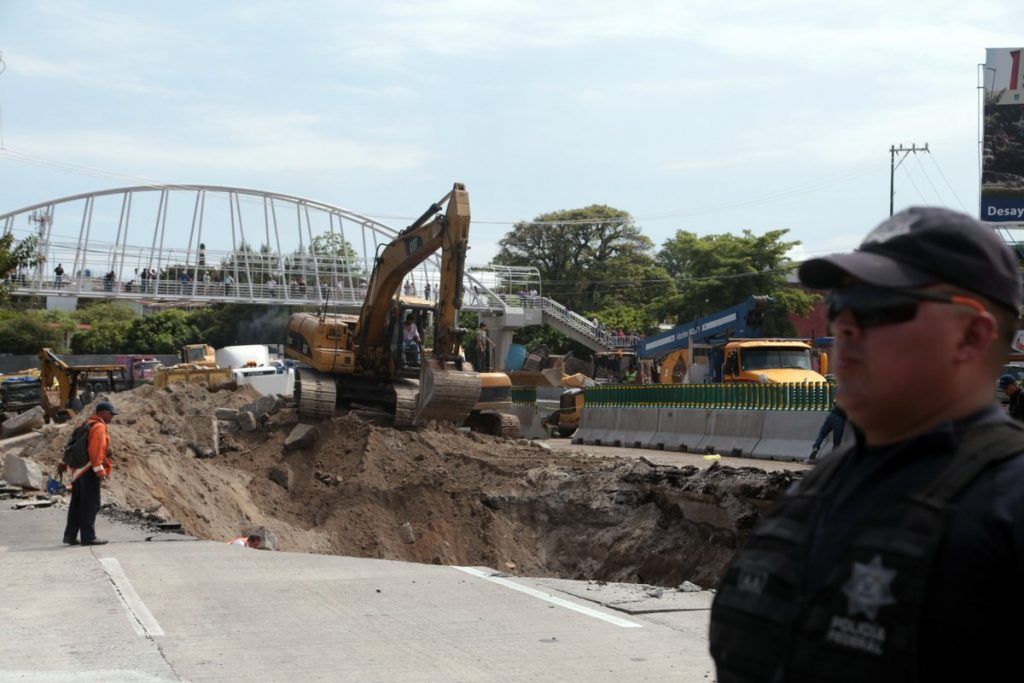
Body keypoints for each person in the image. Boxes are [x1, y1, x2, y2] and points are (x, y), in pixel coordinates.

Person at [709, 207, 1024, 682]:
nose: (846, 327)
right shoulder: (818, 489)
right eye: (840, 306)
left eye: (880, 306)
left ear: (971, 335)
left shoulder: (1009, 505)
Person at [62, 401, 116, 546]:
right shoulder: (99, 427)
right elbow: (95, 452)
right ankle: (89, 537)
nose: (112, 417)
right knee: (91, 504)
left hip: (77, 471)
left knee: (77, 504)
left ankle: (70, 535)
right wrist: (100, 472)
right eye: (111, 414)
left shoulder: (85, 424)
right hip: (89, 470)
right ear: (103, 412)